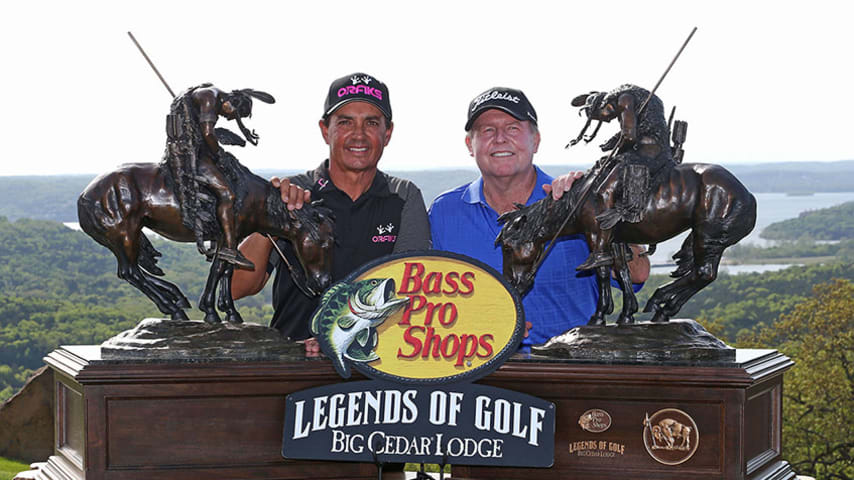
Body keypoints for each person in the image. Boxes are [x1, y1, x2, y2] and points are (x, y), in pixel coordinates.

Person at [428, 87, 650, 350]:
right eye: (487, 130)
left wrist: (605, 204)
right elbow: (429, 303)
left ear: (536, 140)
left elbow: (637, 274)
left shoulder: (575, 201)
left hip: (567, 379)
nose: (500, 139)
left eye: (513, 128)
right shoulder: (444, 212)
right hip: (476, 379)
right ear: (470, 145)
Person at [232, 73, 431, 351]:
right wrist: (270, 215)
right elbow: (235, 288)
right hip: (293, 364)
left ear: (388, 133)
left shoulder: (404, 196)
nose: (358, 134)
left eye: (371, 122)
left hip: (374, 366)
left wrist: (339, 336)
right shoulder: (292, 193)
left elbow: (409, 294)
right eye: (345, 122)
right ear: (326, 130)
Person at [164, 83, 275, 270]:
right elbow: (208, 133)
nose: (228, 117)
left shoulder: (209, 95)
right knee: (228, 195)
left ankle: (216, 232)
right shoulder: (210, 96)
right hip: (190, 154)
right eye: (231, 115)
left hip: (193, 149)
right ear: (231, 103)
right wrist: (219, 156)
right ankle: (229, 249)